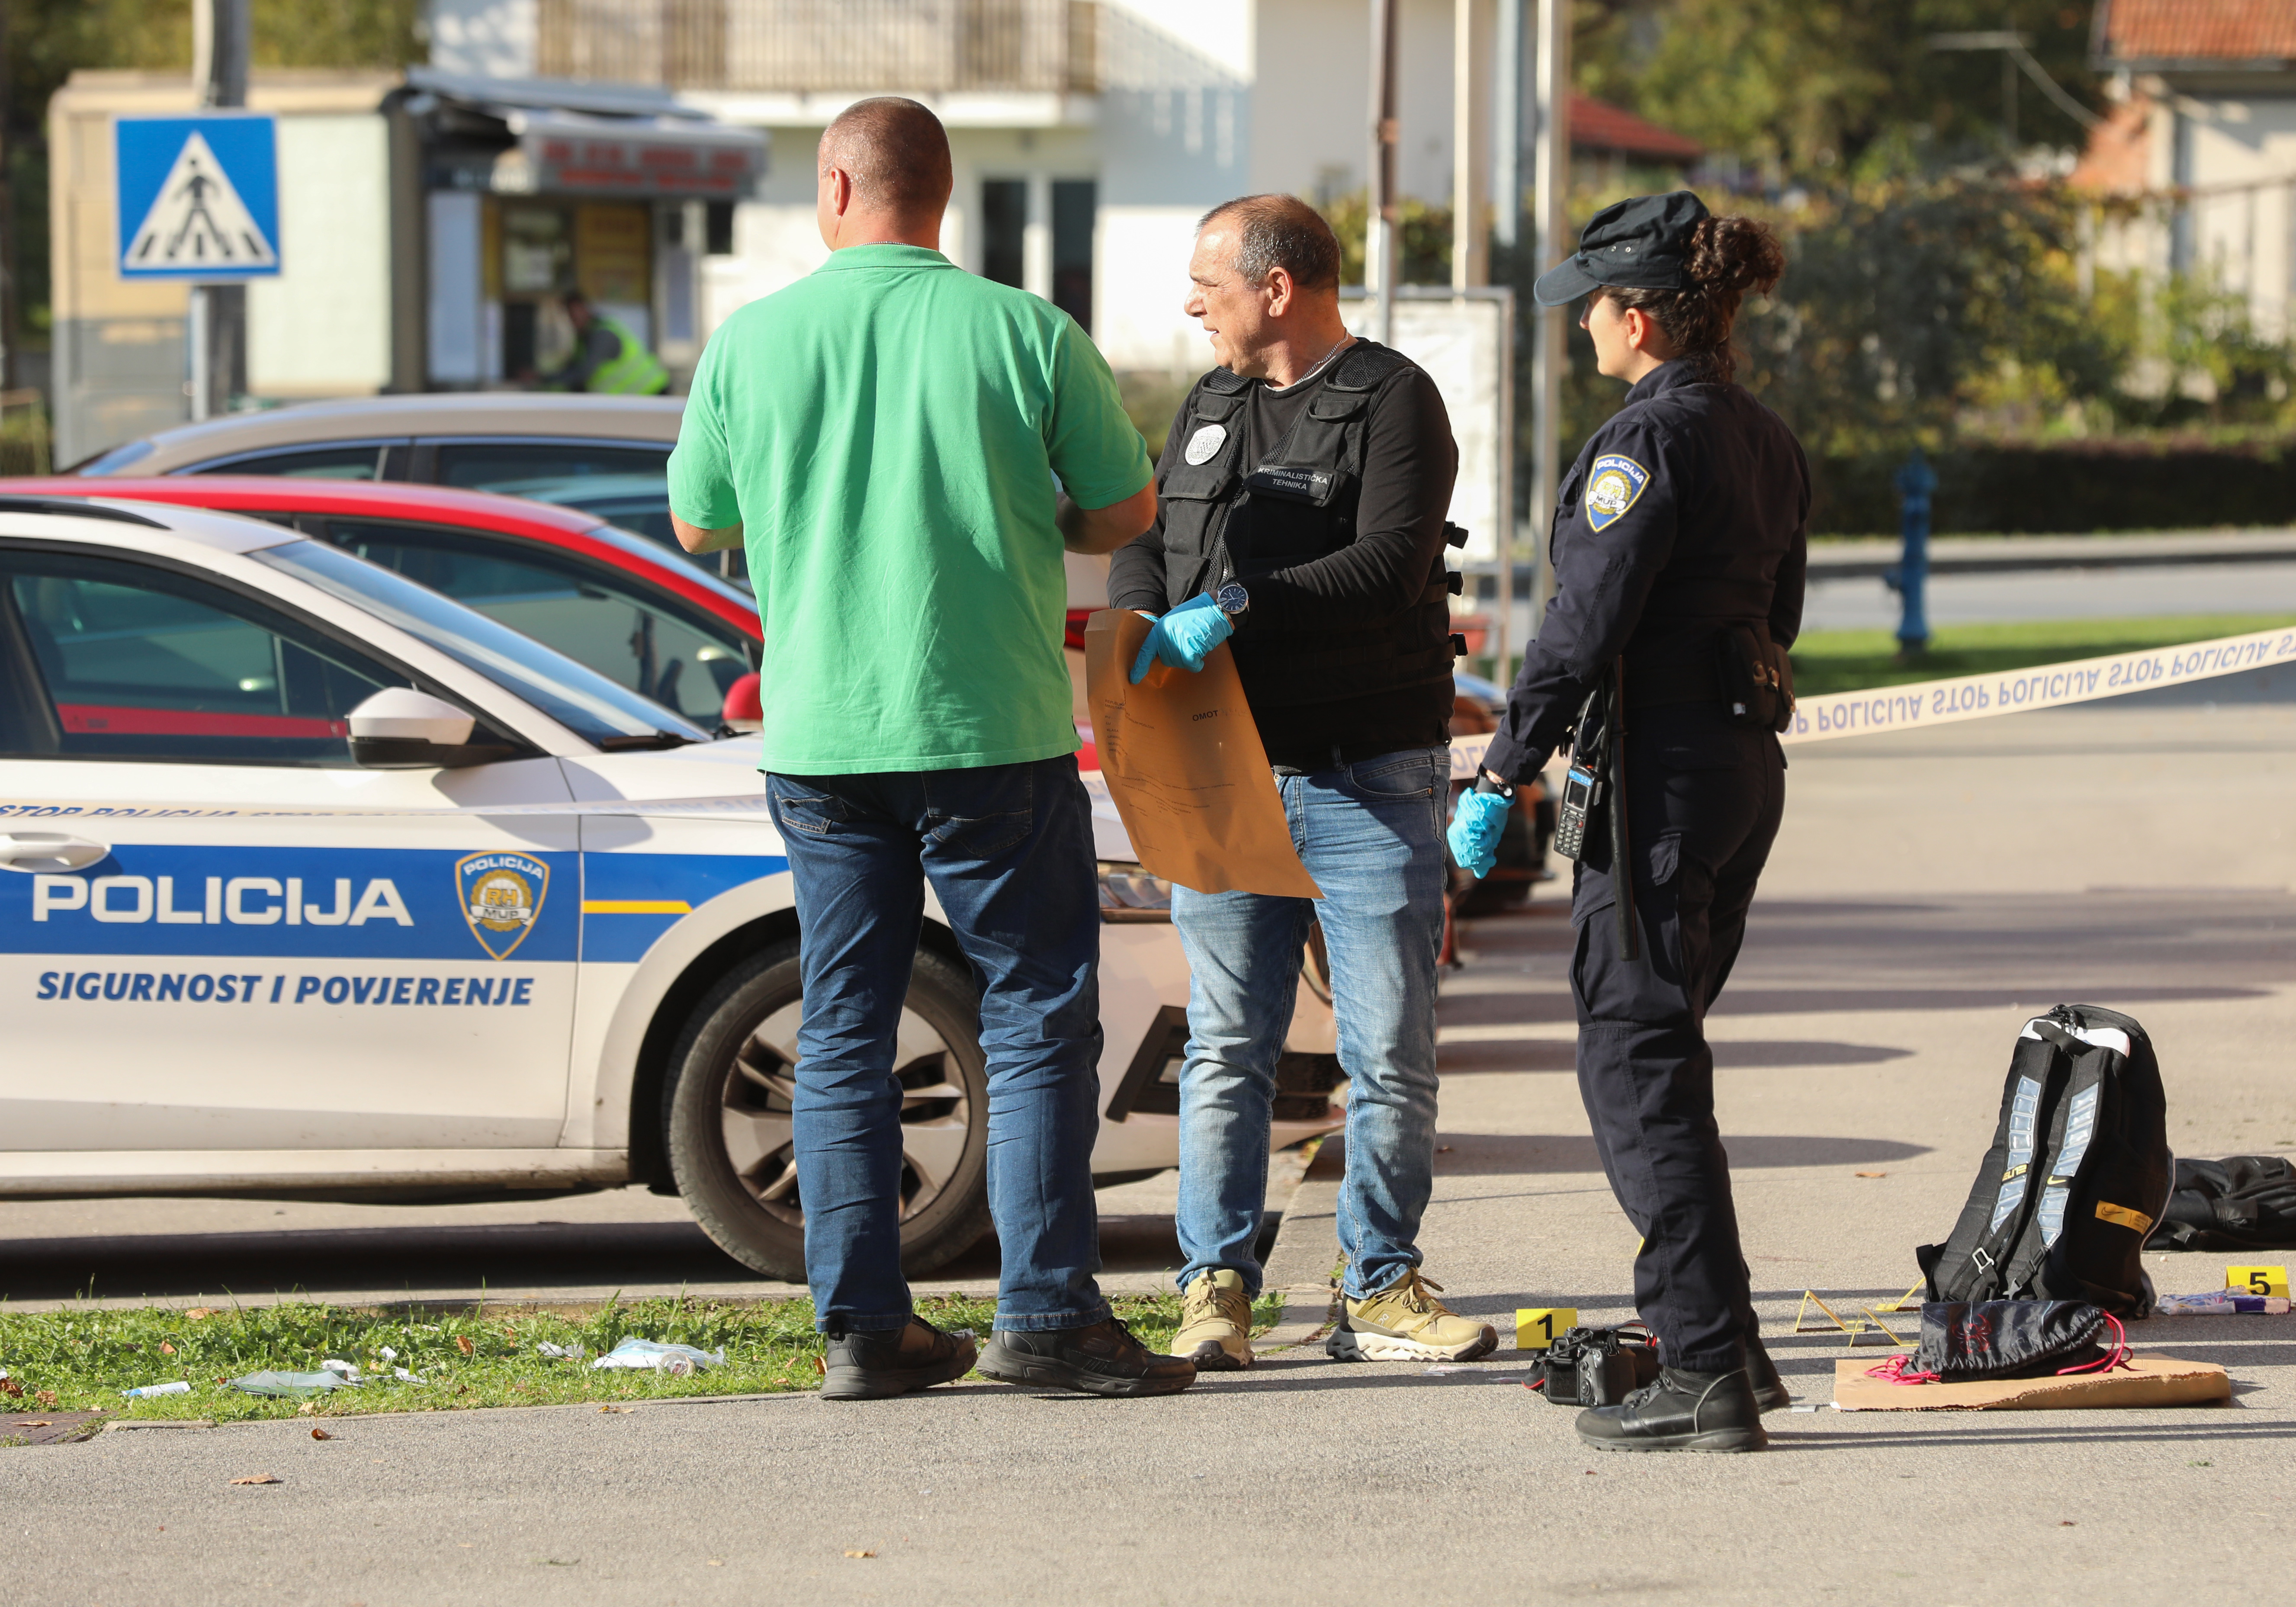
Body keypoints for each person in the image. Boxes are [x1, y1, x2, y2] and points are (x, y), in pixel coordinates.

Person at [669, 96, 1194, 1401]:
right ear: (942, 197)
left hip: (823, 735)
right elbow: (1126, 505)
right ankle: (1048, 1316)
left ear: (835, 189)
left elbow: (699, 523)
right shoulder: (1021, 330)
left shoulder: (751, 342)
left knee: (843, 1023)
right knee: (1030, 1016)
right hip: (991, 728)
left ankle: (861, 1329)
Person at [1108, 194, 1499, 1369]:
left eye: (1208, 284)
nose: (1191, 305)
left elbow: (1386, 564)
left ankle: (1376, 1284)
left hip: (1363, 778)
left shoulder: (1392, 402)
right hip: (1224, 777)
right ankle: (1214, 1290)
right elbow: (1151, 537)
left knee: (1388, 1051)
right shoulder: (1211, 401)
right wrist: (1137, 615)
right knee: (1227, 1044)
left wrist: (1231, 608)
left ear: (1276, 289)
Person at [1448, 192, 1806, 1451]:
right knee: (1665, 1057)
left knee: (1633, 1065)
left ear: (1638, 315)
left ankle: (1700, 1365)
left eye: (1591, 308)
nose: (1581, 330)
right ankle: (1733, 1348)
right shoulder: (1762, 437)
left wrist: (1498, 773)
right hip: (1736, 770)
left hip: (1654, 777)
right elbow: (1782, 615)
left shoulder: (1637, 446)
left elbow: (1577, 631)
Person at [544, 290, 671, 395]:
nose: (573, 320)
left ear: (584, 309)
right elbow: (573, 368)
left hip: (653, 394)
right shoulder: (584, 339)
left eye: (574, 314)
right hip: (635, 399)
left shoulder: (603, 335)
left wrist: (544, 381)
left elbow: (583, 373)